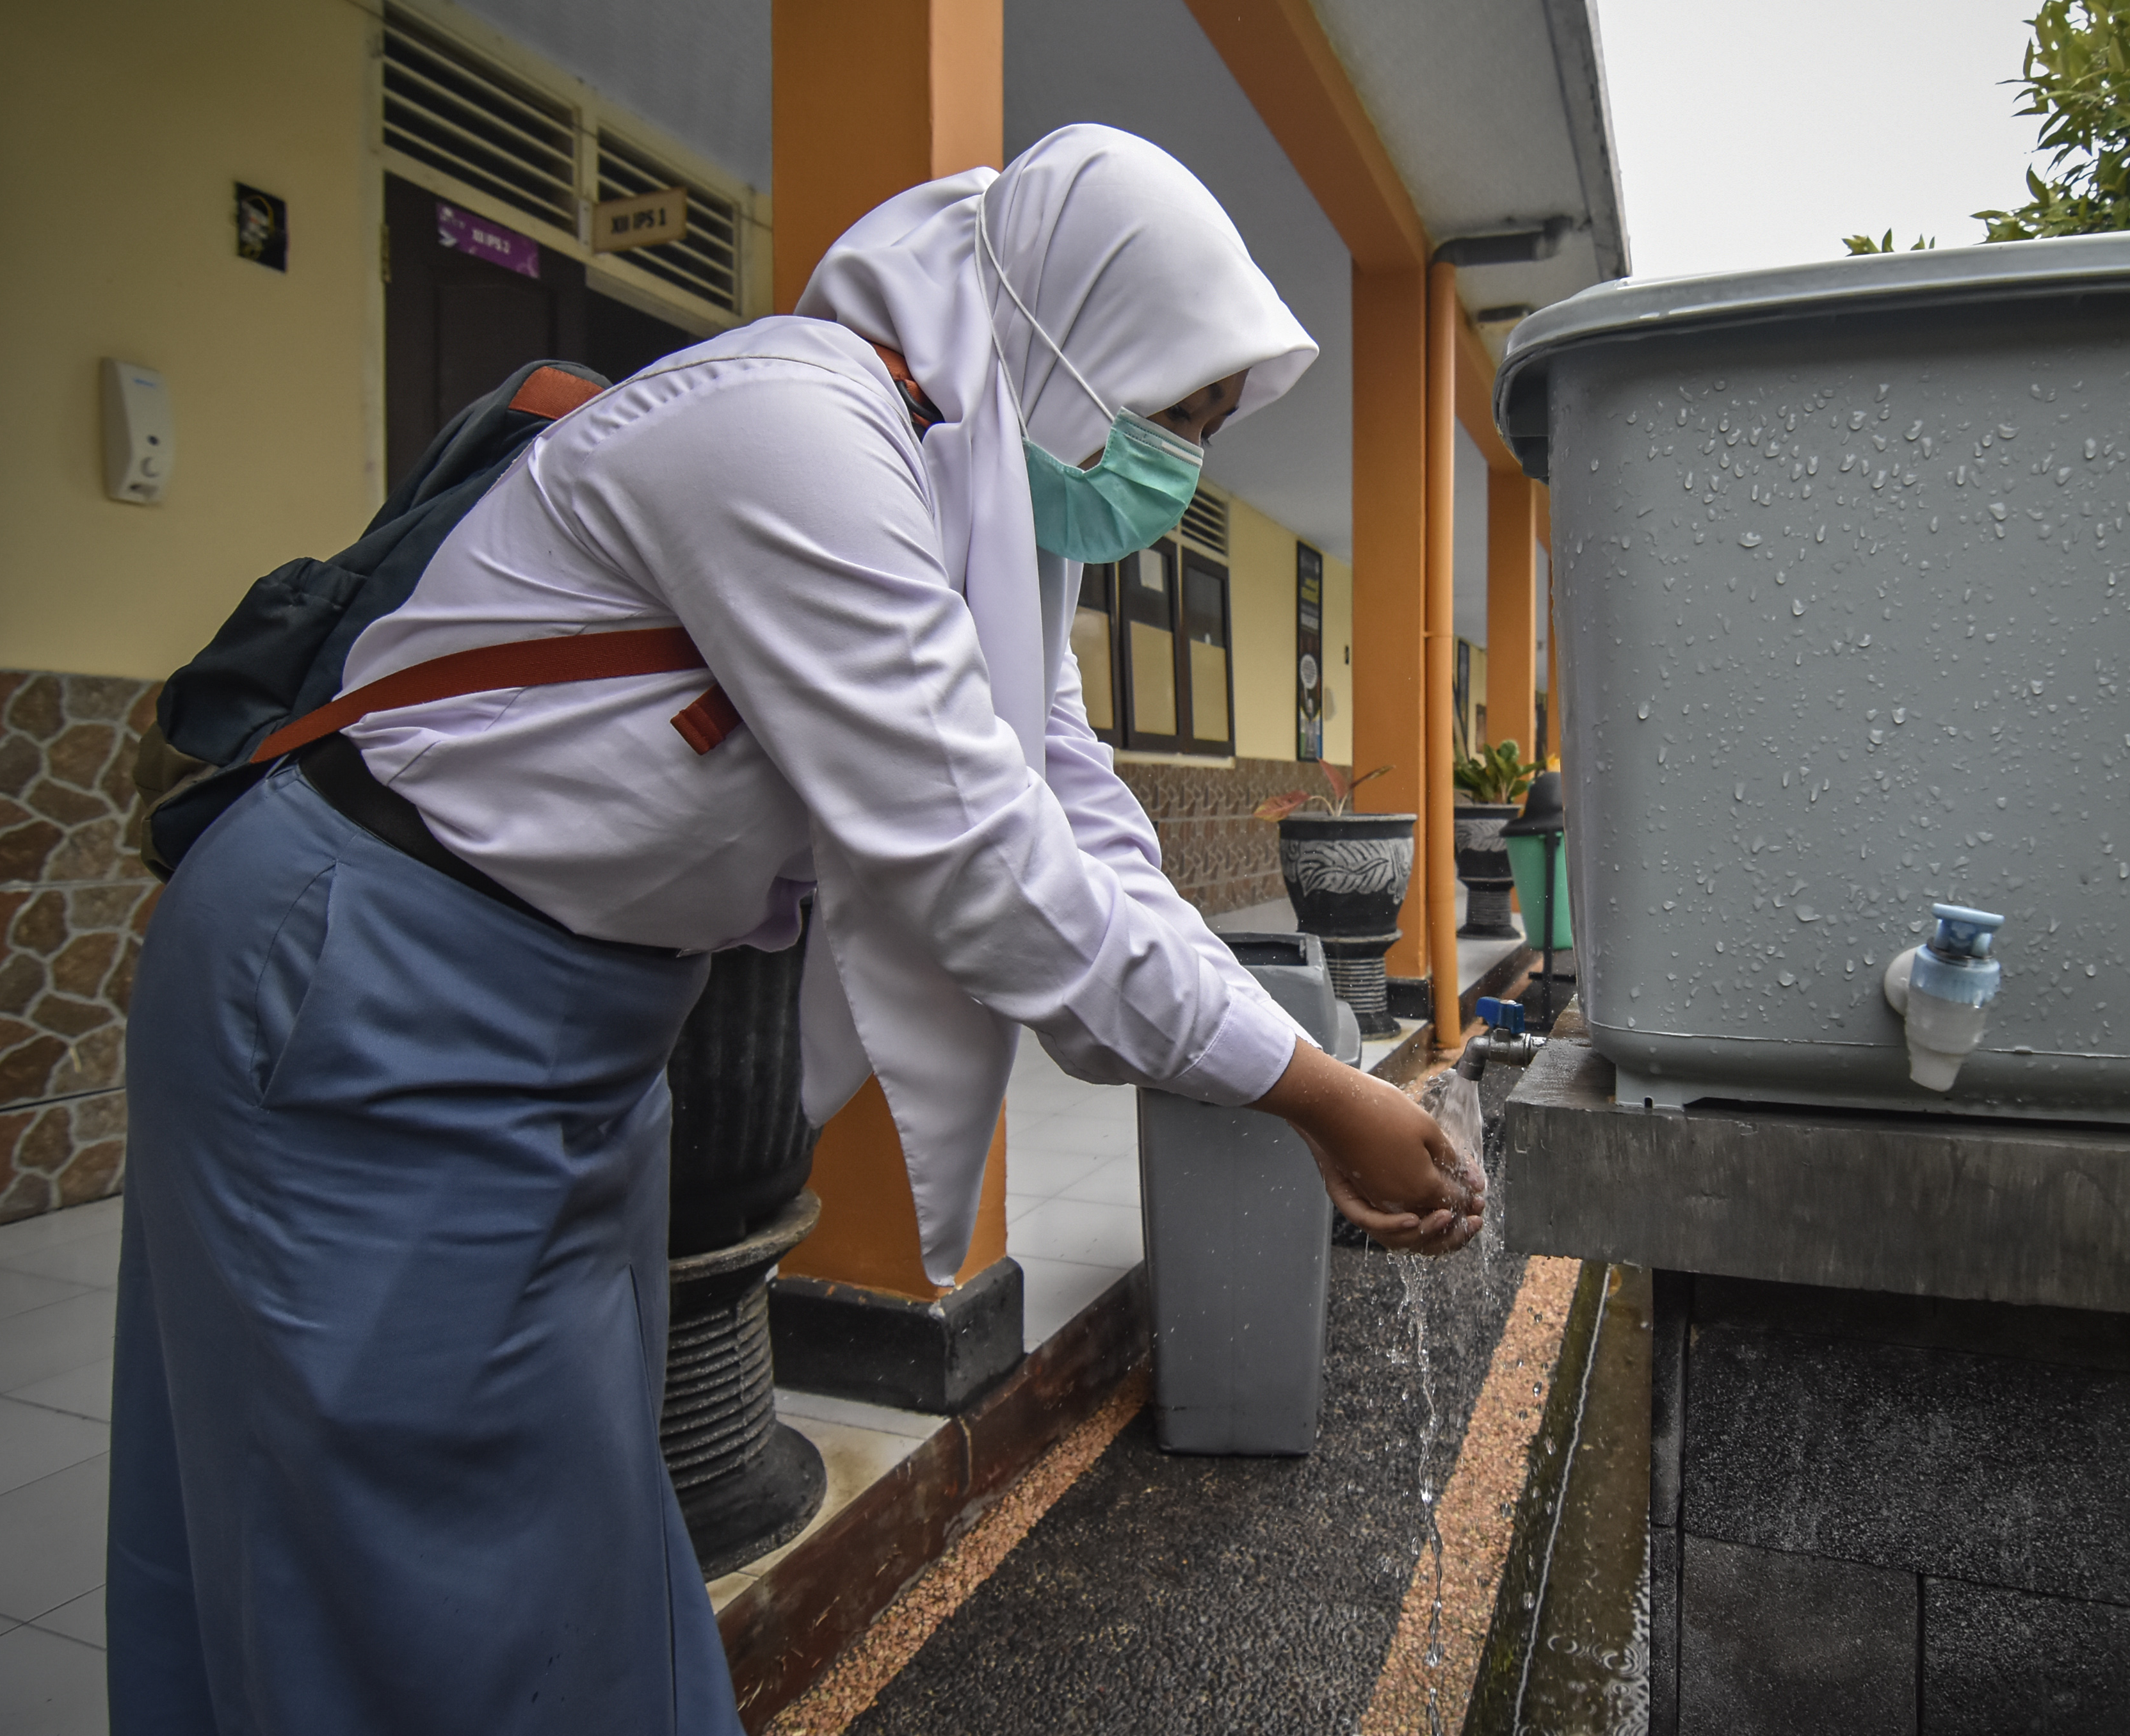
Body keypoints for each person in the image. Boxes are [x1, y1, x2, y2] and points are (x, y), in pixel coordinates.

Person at [110, 124, 1481, 1735]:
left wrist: (1280, 1060)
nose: (1175, 467)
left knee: (588, 1537)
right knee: (394, 1575)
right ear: (1061, 336)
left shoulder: (975, 510)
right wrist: (1312, 1093)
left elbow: (1073, 812)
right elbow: (982, 869)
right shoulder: (796, 433)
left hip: (584, 1032)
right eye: (1171, 412)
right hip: (371, 990)